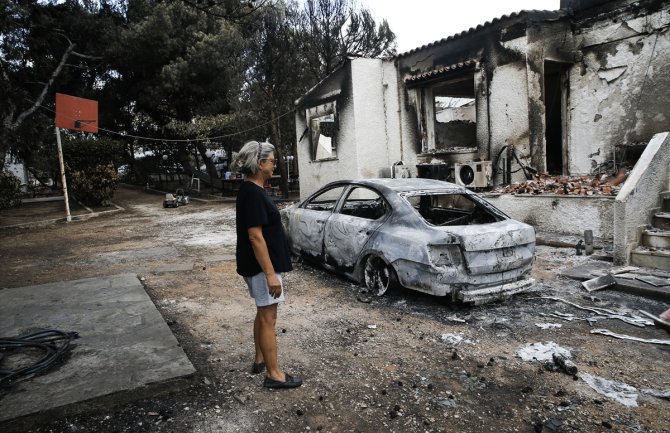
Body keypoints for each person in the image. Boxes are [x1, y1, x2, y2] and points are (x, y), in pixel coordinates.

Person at [234, 140, 302, 389]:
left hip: (260, 267)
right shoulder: (252, 193)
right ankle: (274, 375)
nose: (274, 165)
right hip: (263, 268)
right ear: (260, 163)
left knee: (263, 313)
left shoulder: (252, 190)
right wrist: (270, 274)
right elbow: (255, 236)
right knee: (268, 318)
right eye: (272, 161)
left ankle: (260, 359)